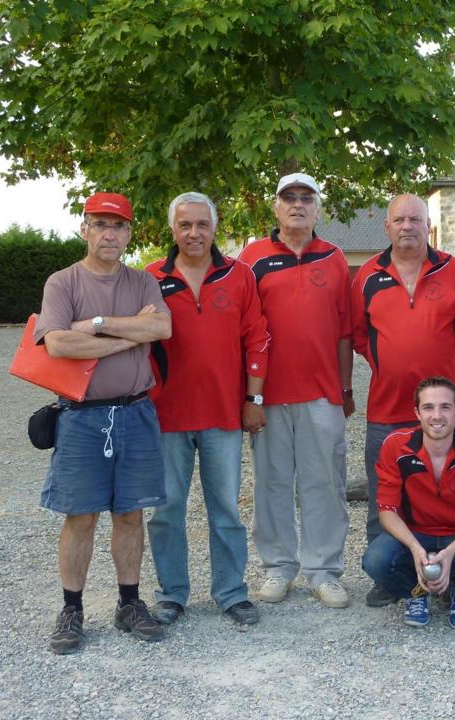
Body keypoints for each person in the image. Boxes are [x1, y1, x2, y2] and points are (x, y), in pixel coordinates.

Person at [35, 192, 172, 654]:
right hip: (81, 417)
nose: (109, 234)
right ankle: (72, 608)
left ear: (130, 234)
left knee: (130, 513)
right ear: (84, 229)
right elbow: (57, 345)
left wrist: (93, 326)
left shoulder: (143, 282)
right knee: (80, 516)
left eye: (118, 226)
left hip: (135, 411)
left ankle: (129, 603)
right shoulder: (63, 282)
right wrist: (125, 334)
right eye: (100, 224)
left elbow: (160, 329)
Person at [145, 192, 270, 627]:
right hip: (166, 418)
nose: (194, 233)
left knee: (227, 510)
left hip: (223, 416)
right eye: (185, 225)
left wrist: (253, 399)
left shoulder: (239, 276)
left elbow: (257, 340)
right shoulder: (150, 278)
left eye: (202, 224)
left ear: (214, 227)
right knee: (166, 511)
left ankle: (231, 592)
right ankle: (171, 594)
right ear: (173, 229)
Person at [351, 193, 455, 607]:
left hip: (448, 415)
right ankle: (391, 579)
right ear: (386, 227)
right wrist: (391, 363)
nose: (407, 226)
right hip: (388, 411)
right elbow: (357, 336)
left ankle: (452, 577)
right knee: (383, 499)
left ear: (429, 227)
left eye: (415, 219)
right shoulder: (367, 275)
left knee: (454, 496)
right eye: (399, 219)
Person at [239, 173, 355, 609]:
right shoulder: (252, 258)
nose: (298, 205)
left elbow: (344, 332)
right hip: (268, 394)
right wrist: (248, 396)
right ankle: (278, 567)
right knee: (272, 483)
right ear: (275, 207)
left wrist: (345, 387)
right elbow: (245, 331)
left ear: (318, 208)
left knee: (325, 483)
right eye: (289, 198)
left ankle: (323, 571)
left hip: (322, 392)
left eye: (307, 198)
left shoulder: (334, 258)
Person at [361, 377, 455, 630]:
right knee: (375, 560)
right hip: (416, 533)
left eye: (445, 407)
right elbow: (387, 511)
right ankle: (417, 593)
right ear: (417, 413)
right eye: (428, 407)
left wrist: (451, 552)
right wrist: (415, 549)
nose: (437, 415)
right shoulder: (397, 445)